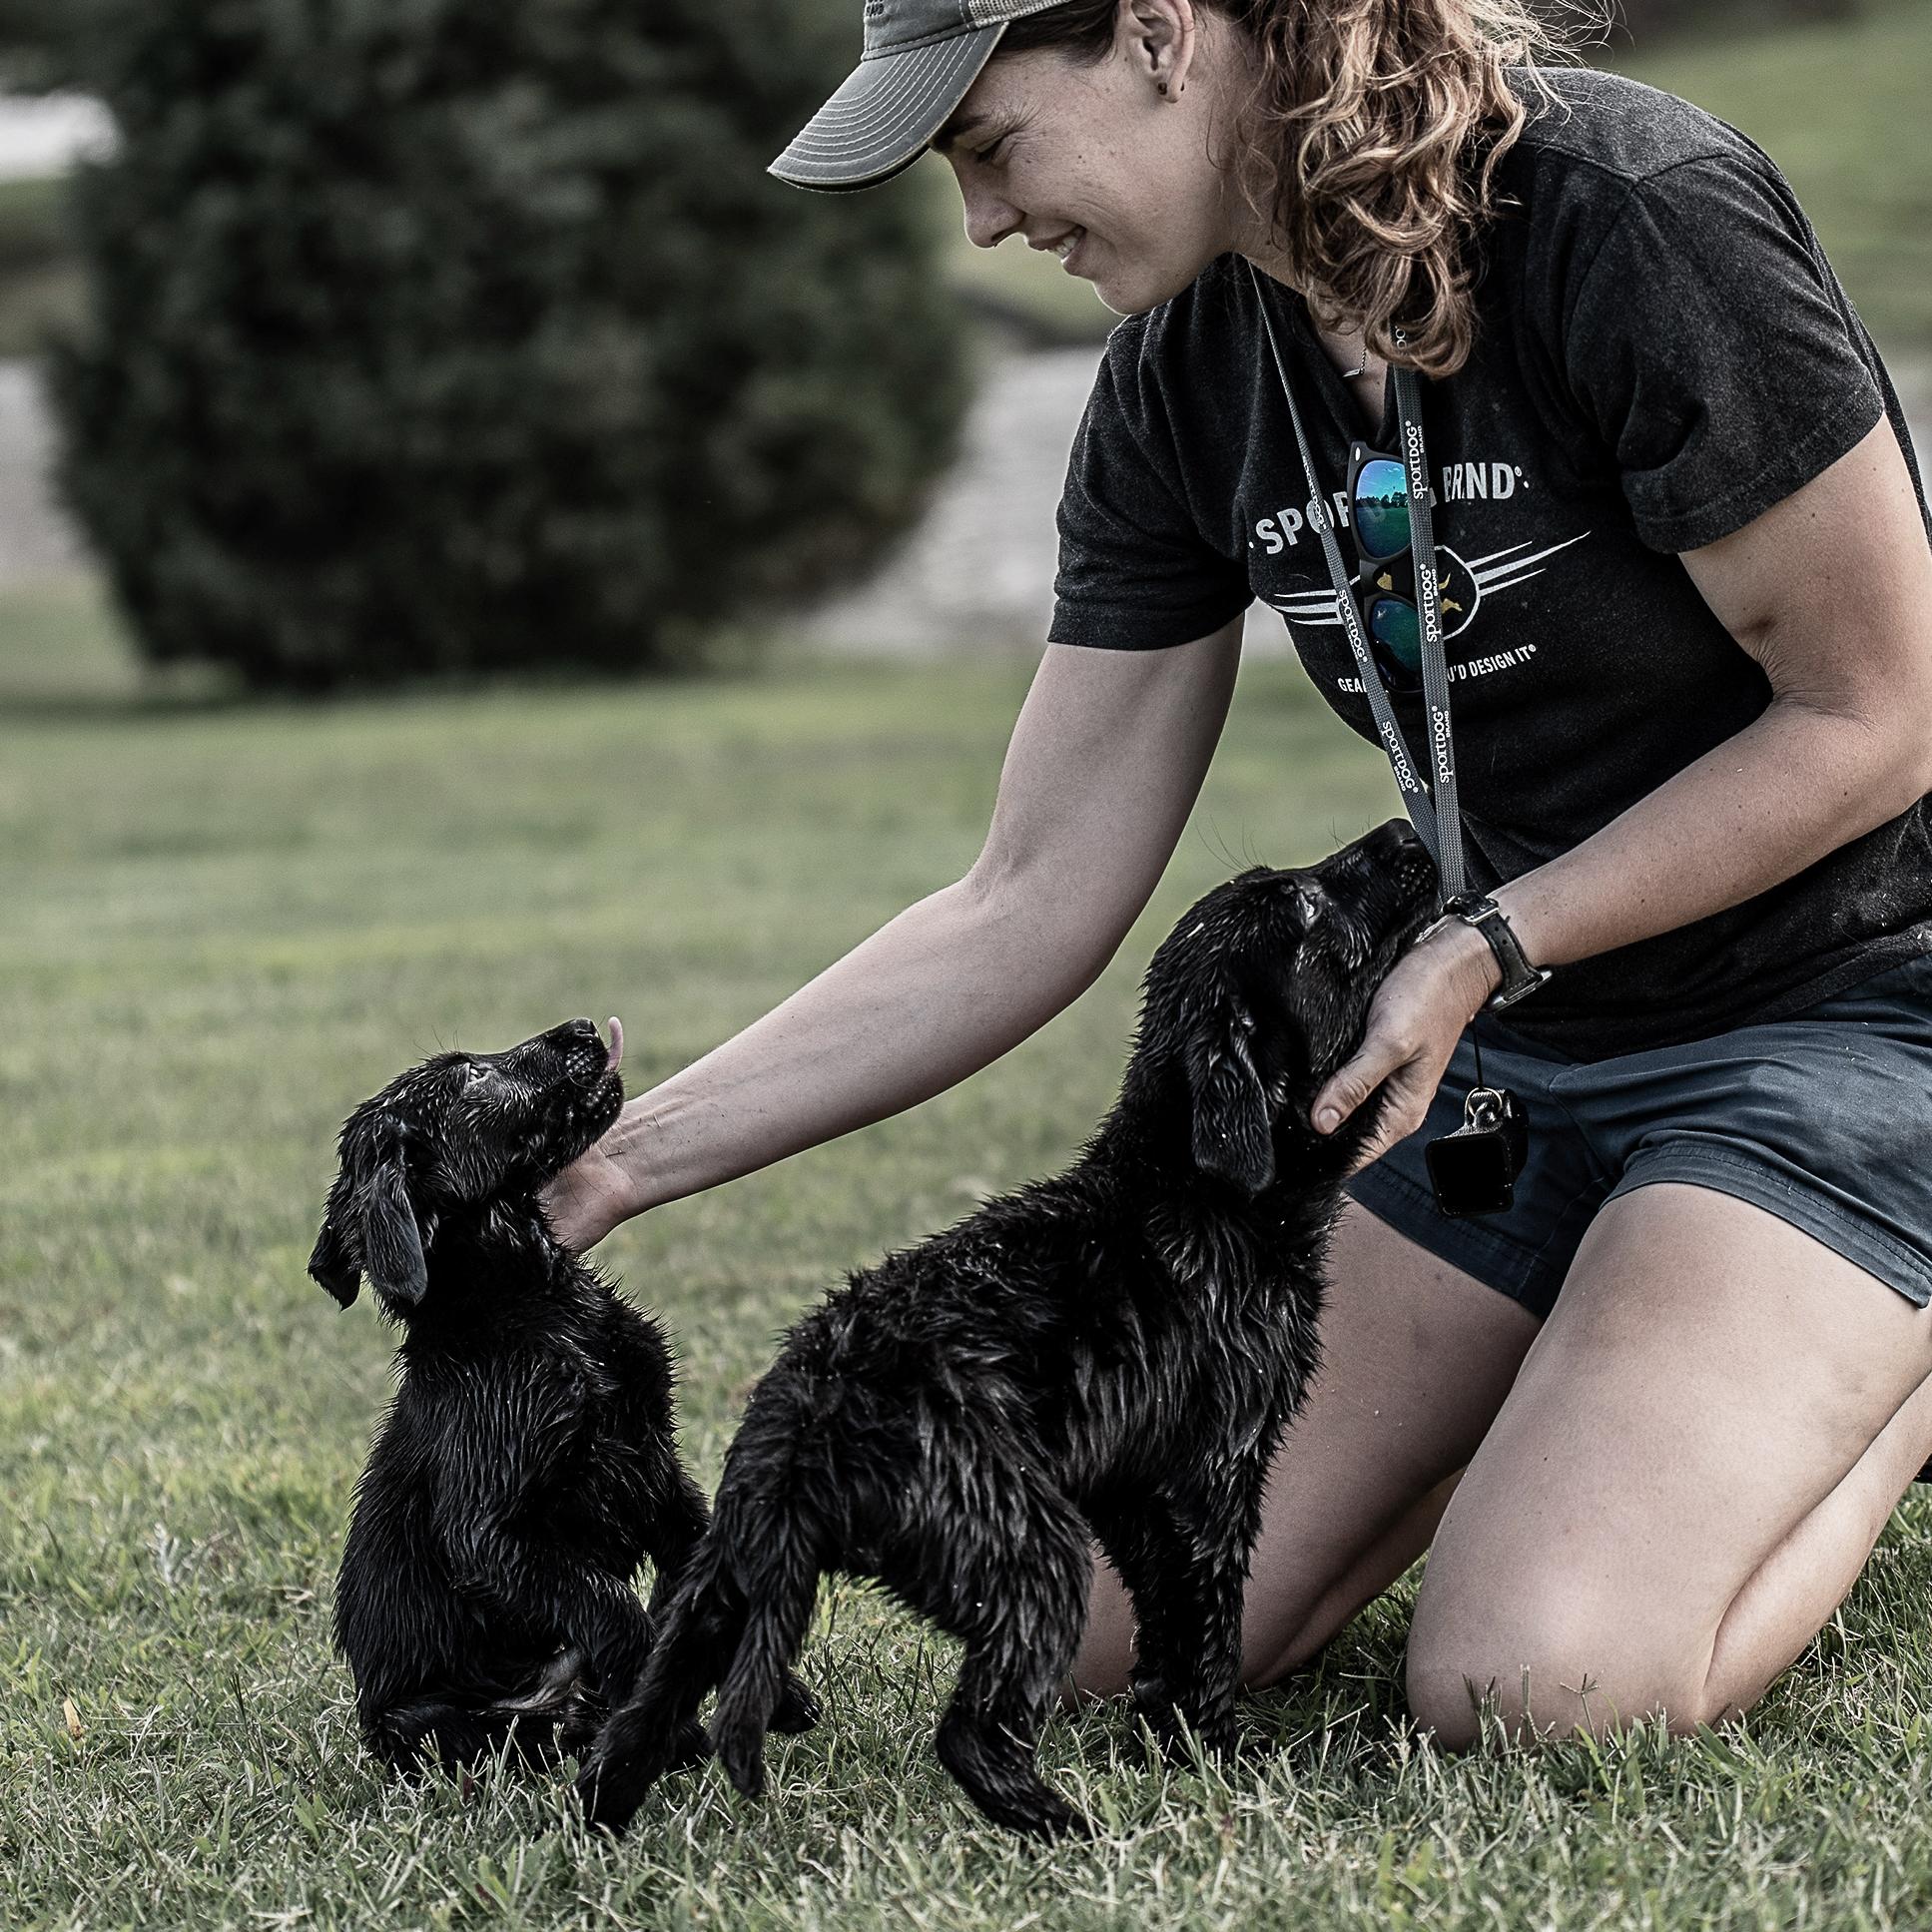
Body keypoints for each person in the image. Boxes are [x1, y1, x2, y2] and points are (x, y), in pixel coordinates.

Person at [545, 0, 1932, 1747]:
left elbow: (1877, 716)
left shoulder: (1622, 213)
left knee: (1539, 1690)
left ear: (1155, 34)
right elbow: (1026, 894)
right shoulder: (1187, 373)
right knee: (1092, 1628)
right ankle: (1630, 1333)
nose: (983, 224)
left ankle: (1878, 1354)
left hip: (1853, 1016)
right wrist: (617, 1167)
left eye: (987, 144)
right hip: (1504, 1063)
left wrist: (1495, 937)